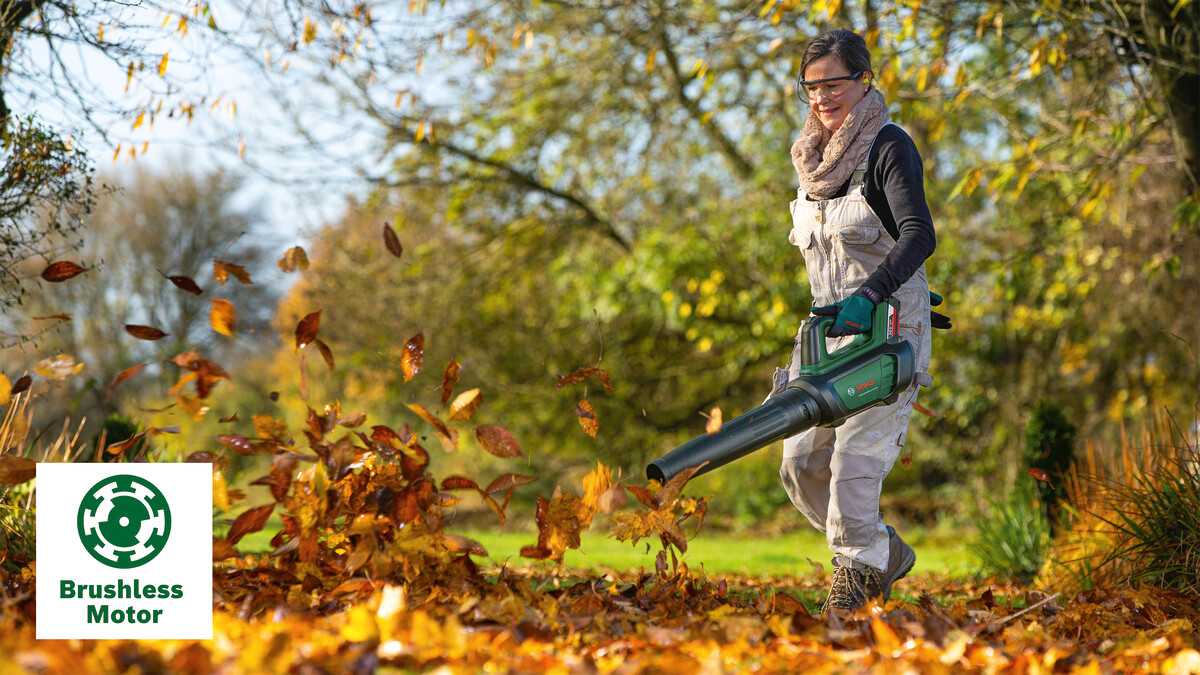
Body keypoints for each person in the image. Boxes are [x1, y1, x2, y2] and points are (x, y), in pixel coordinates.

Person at [777, 28, 937, 614]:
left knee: (852, 467)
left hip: (888, 328)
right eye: (811, 87)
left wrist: (872, 293)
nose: (821, 97)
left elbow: (920, 233)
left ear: (863, 80)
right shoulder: (809, 162)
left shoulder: (888, 145)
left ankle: (853, 589)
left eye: (833, 83)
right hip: (826, 337)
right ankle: (878, 552)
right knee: (798, 465)